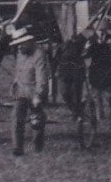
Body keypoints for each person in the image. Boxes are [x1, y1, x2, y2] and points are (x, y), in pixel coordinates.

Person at [10, 28, 50, 156]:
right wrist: (15, 84)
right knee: (16, 117)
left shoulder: (39, 54)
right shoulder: (21, 53)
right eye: (18, 44)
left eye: (22, 43)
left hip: (35, 92)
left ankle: (38, 147)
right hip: (21, 91)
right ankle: (18, 148)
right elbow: (19, 71)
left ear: (30, 41)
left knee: (36, 120)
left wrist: (38, 95)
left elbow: (41, 77)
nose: (20, 46)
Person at [84, 26, 111, 119]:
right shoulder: (91, 39)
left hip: (108, 69)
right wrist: (87, 48)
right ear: (96, 30)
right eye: (99, 30)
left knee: (109, 93)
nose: (102, 32)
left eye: (103, 30)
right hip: (95, 69)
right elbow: (86, 55)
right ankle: (100, 115)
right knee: (96, 93)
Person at [56, 33, 87, 120]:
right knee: (64, 93)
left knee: (77, 94)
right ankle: (75, 109)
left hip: (77, 71)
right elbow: (56, 57)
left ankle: (76, 113)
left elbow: (84, 51)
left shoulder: (81, 40)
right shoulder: (63, 42)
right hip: (64, 71)